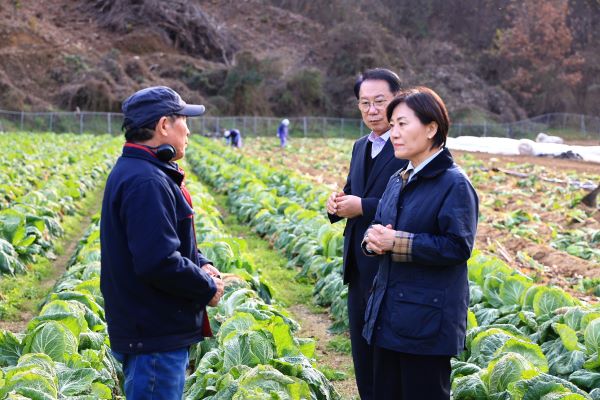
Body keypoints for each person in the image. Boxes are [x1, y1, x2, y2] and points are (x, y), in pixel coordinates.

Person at [100, 86, 225, 399]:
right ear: (163, 125)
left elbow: (166, 241)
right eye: (184, 120)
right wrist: (206, 287)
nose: (189, 130)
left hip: (152, 330)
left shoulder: (143, 170)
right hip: (154, 336)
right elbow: (158, 261)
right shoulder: (145, 181)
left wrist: (201, 263)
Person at [362, 87, 479, 399]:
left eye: (402, 124)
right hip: (388, 316)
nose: (393, 133)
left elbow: (458, 247)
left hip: (425, 324)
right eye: (393, 125)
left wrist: (397, 241)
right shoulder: (399, 178)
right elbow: (379, 226)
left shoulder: (454, 183)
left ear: (431, 128)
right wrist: (371, 240)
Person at [325, 68, 406, 400]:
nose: (372, 111)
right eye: (364, 103)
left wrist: (364, 207)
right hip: (358, 267)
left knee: (387, 359)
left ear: (397, 102)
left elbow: (410, 203)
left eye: (380, 102)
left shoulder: (407, 146)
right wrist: (336, 204)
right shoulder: (361, 146)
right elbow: (351, 191)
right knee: (362, 353)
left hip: (390, 267)